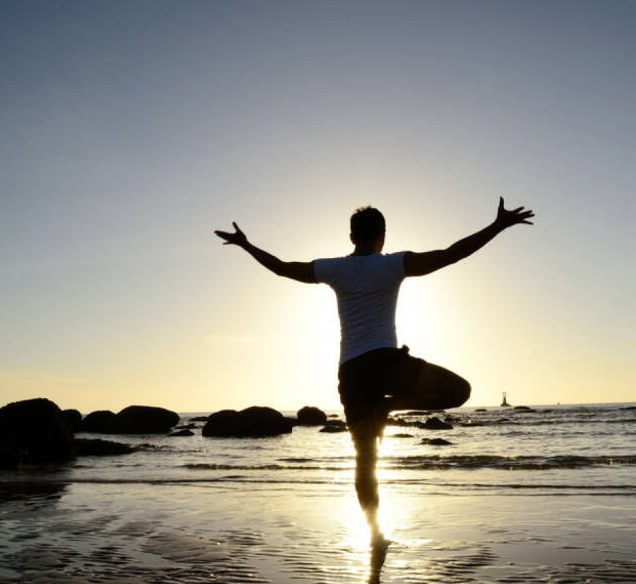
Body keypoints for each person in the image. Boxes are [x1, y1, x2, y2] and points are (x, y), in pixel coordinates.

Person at [214, 197, 534, 544]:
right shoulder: (393, 264)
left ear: (352, 238)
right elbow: (452, 253)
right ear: (383, 236)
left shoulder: (334, 268)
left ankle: (374, 534)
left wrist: (246, 245)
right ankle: (389, 408)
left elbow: (281, 267)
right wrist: (497, 226)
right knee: (459, 391)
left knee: (365, 459)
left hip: (351, 372)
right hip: (387, 363)